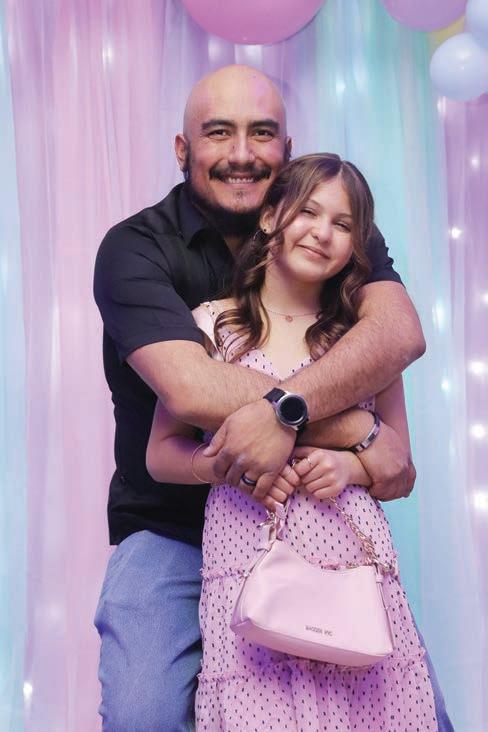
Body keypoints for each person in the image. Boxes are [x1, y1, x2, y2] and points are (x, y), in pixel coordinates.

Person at [94, 65, 451, 730]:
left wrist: (333, 445)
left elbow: (398, 336)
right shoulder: (137, 249)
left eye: (261, 133)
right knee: (144, 710)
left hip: (325, 529)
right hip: (174, 527)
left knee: (414, 705)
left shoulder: (332, 227)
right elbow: (191, 390)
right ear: (182, 148)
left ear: (286, 150)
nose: (241, 153)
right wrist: (348, 427)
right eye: (218, 133)